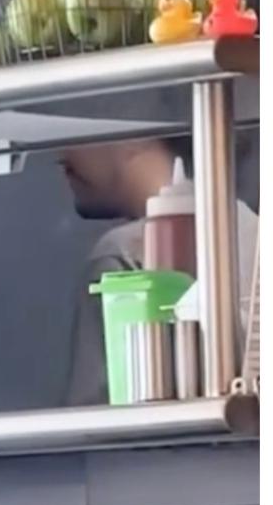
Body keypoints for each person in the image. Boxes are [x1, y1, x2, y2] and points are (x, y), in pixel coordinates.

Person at [59, 137, 259, 405]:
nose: (62, 152)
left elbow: (92, 435)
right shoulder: (254, 232)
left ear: (134, 132)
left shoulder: (121, 257)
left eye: (82, 124)